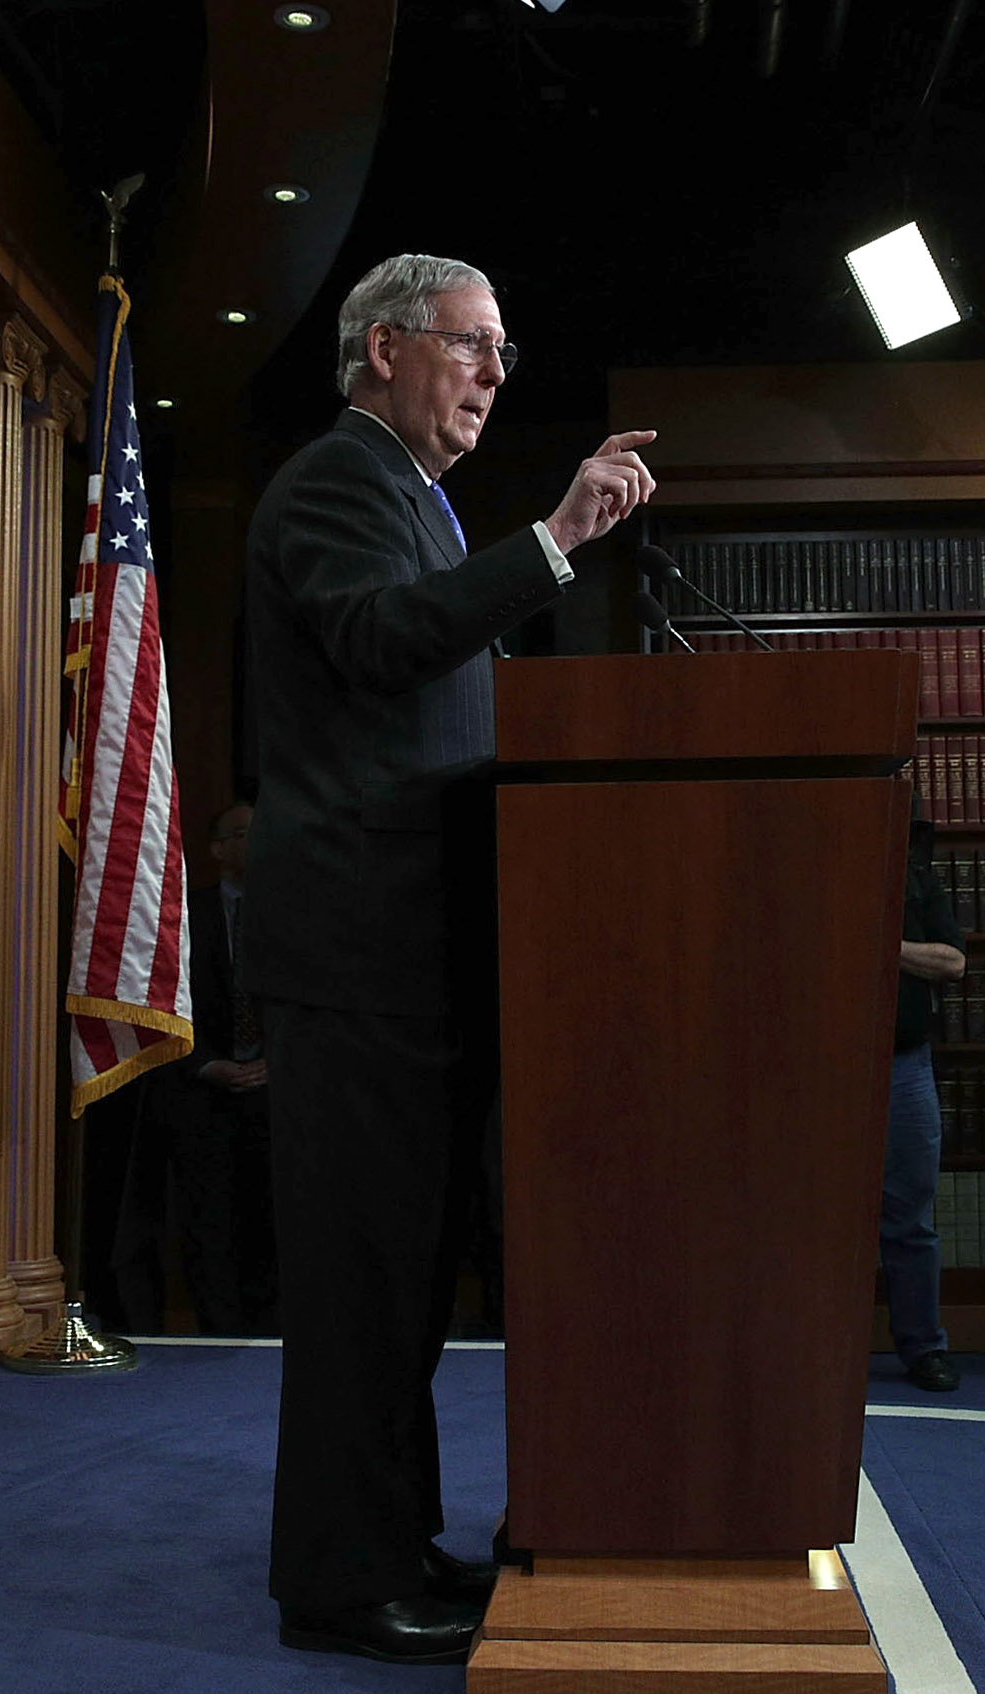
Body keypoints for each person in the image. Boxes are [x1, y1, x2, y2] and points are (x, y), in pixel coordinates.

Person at [240, 254, 654, 1667]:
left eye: (500, 351)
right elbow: (376, 644)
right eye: (471, 344)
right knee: (362, 1285)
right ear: (382, 352)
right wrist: (550, 544)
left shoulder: (414, 499)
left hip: (412, 955)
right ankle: (340, 1583)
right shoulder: (333, 484)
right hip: (357, 953)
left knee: (404, 1285)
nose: (490, 371)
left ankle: (390, 1544)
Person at [139, 802, 277, 1335]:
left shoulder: (294, 913)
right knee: (208, 1222)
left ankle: (271, 1334)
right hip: (201, 1093)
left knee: (273, 1221)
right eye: (243, 833)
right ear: (218, 849)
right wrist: (206, 1065)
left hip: (275, 1092)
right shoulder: (184, 917)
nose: (256, 843)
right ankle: (219, 1333)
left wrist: (276, 1062)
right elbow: (161, 1001)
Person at [888, 799, 966, 1391]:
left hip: (902, 1060)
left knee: (912, 1213)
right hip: (823, 1065)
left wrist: (883, 948)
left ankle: (923, 1348)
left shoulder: (919, 881)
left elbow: (952, 960)